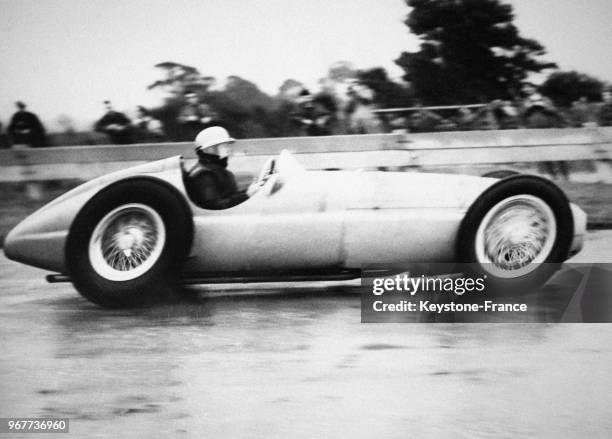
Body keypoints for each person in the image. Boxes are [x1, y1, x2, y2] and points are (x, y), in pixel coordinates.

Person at [186, 126, 248, 210]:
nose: (230, 149)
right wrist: (247, 195)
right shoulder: (204, 175)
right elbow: (214, 205)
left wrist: (249, 191)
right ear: (211, 149)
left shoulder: (214, 169)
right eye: (225, 146)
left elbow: (229, 195)